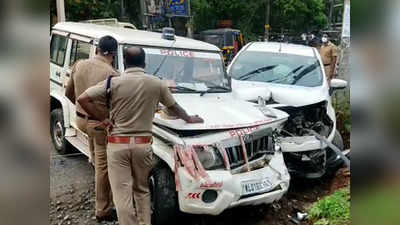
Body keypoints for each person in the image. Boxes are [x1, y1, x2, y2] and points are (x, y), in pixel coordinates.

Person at [77, 47, 204, 225]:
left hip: (117, 145)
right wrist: (189, 118)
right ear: (144, 63)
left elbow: (83, 99)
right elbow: (174, 107)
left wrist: (104, 118)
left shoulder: (112, 83)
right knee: (142, 190)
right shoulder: (156, 83)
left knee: (122, 195)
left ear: (125, 62)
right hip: (143, 146)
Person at [65, 36, 118, 222]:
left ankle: (96, 174)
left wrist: (81, 111)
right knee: (103, 167)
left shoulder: (79, 65)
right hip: (99, 124)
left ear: (97, 49)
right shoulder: (112, 73)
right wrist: (103, 117)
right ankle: (102, 209)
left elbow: (69, 94)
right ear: (112, 53)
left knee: (96, 157)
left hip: (80, 121)